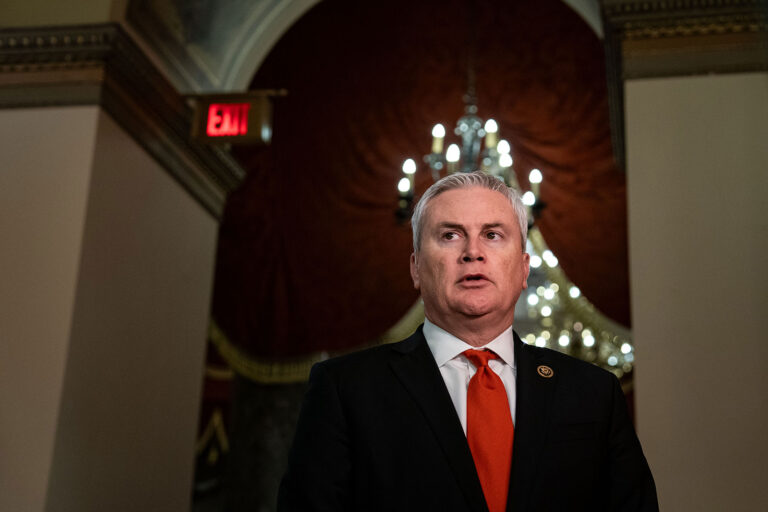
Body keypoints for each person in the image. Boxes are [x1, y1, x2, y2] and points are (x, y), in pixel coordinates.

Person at [277, 172, 658, 511]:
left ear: (523, 268)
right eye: (450, 235)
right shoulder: (345, 390)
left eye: (492, 235)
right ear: (416, 267)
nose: (472, 252)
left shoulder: (593, 394)